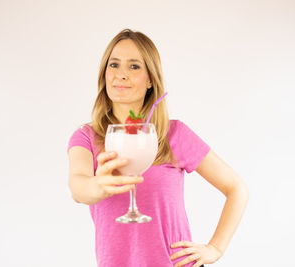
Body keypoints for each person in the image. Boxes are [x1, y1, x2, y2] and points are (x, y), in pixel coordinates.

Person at [67, 29, 249, 267]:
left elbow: (237, 188)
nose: (121, 74)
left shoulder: (173, 134)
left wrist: (215, 248)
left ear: (151, 79)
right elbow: (78, 187)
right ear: (104, 73)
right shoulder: (86, 137)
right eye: (114, 65)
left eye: (134, 67)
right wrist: (97, 186)